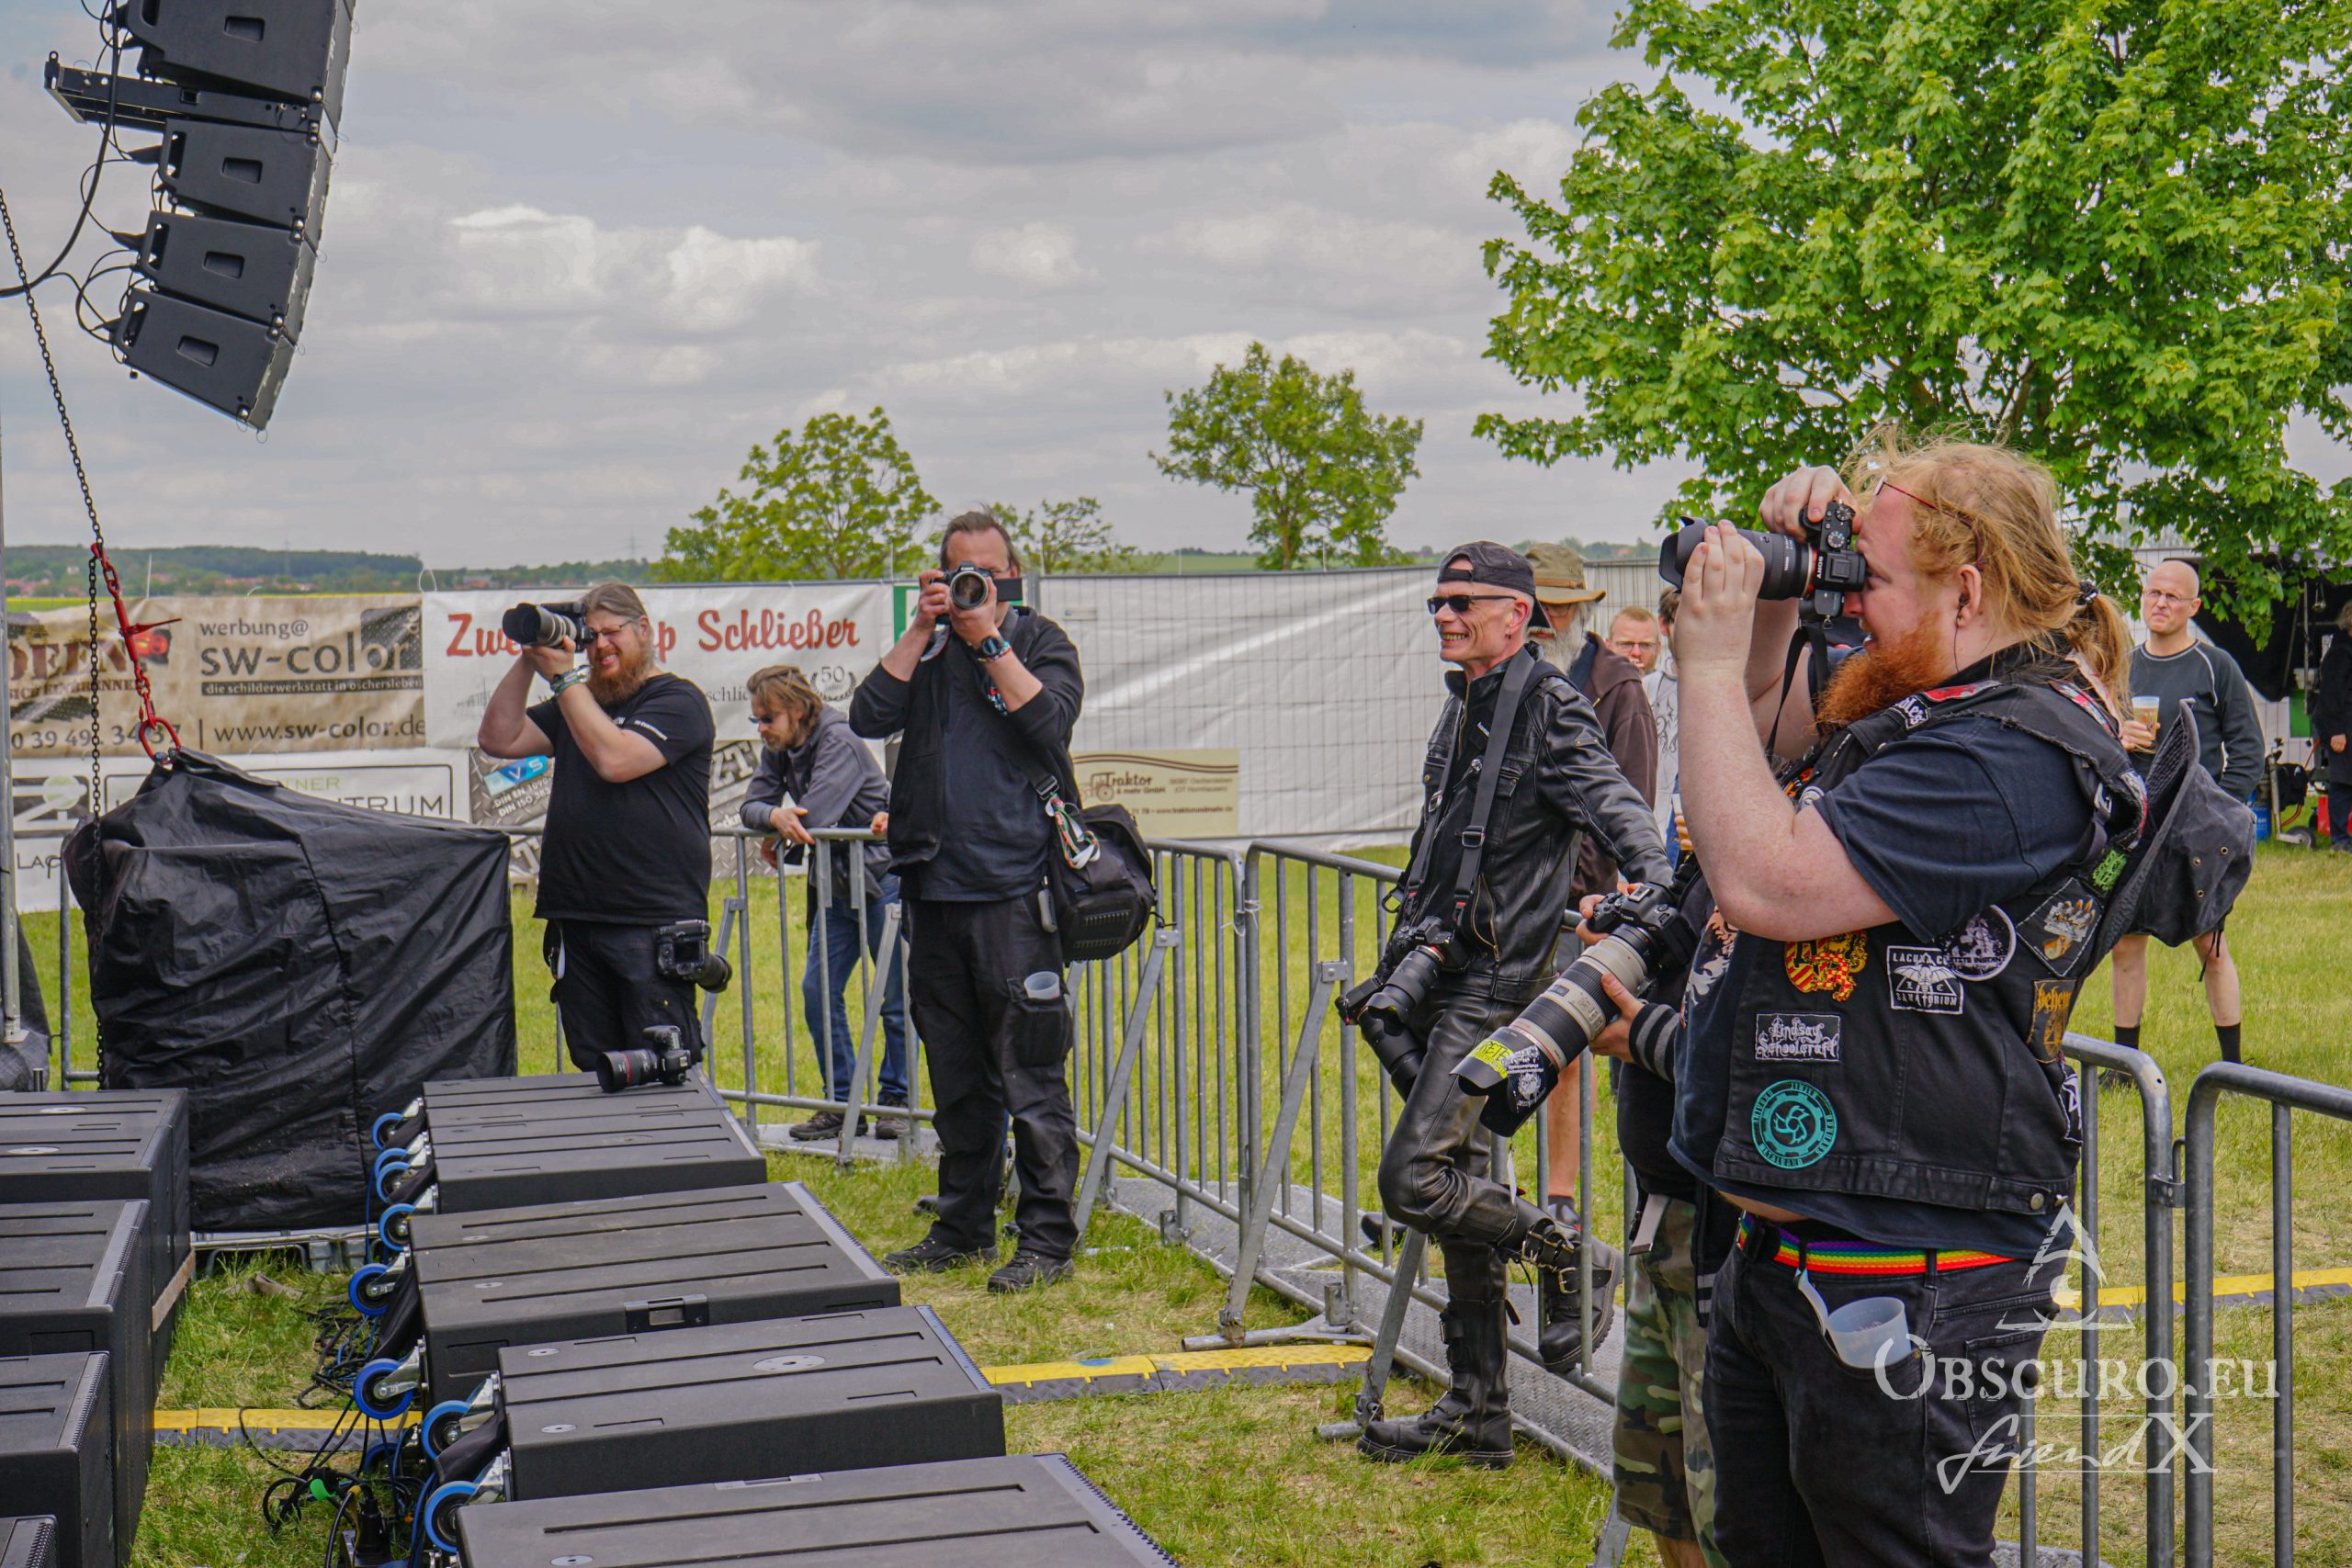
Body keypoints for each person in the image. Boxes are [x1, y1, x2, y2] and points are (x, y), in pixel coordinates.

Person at [1667, 431, 2142, 1567]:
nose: (1849, 605)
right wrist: (1776, 597)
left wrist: (1699, 661)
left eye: (1868, 581)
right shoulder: (1932, 702)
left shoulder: (2008, 753)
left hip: (1909, 1270)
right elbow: (1765, 745)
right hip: (1804, 1241)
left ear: (1966, 590)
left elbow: (1767, 879)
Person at [1355, 541, 1670, 1469]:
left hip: (1497, 987)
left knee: (1414, 1180)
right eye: (1437, 603)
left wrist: (1653, 892)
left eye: (1464, 602)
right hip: (1447, 971)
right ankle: (1478, 1410)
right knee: (1459, 1189)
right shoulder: (1465, 704)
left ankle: (1572, 1256)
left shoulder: (1549, 705)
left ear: (1516, 615)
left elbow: (1621, 810)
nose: (1445, 615)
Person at [849, 511, 1085, 1294]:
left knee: (1030, 1072)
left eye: (988, 572)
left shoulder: (1040, 640)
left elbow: (1048, 722)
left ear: (1012, 572)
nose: (975, 586)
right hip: (932, 886)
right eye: (960, 574)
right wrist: (924, 628)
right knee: (955, 1074)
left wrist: (989, 640)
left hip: (1015, 890)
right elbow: (867, 715)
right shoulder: (929, 648)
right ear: (940, 578)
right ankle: (962, 1227)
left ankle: (1046, 1238)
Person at [478, 581, 717, 1072]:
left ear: (643, 629)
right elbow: (498, 738)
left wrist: (565, 680)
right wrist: (531, 658)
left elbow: (615, 760)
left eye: (613, 632)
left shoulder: (678, 700)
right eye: (591, 636)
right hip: (578, 917)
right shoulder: (580, 702)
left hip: (650, 920)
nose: (601, 646)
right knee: (596, 1071)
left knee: (659, 1068)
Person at [1523, 542, 1654, 1298]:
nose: (1548, 620)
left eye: (1558, 606)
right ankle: (1476, 1181)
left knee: (1567, 1044)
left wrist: (1603, 894)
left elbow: (1631, 795)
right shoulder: (1503, 676)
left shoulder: (1616, 685)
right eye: (1538, 606)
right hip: (1511, 902)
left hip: (1581, 904)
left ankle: (1562, 1196)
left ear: (1578, 609)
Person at [741, 664, 909, 1142]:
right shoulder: (780, 745)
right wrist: (775, 818)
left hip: (883, 878)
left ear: (796, 710)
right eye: (756, 719)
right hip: (836, 883)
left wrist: (780, 826)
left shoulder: (840, 739)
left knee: (896, 997)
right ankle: (840, 1104)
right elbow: (752, 806)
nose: (761, 728)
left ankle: (895, 1102)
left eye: (768, 718)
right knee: (817, 991)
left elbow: (816, 814)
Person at [2109, 558, 2260, 1064]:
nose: (2160, 603)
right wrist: (2118, 737)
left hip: (2196, 830)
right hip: (2137, 826)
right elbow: (2096, 743)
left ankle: (2233, 1067)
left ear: (2193, 607)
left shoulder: (2216, 666)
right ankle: (2125, 1064)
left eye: (2172, 596)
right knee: (2125, 946)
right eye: (2153, 593)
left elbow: (2248, 750)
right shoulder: (2123, 665)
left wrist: (2221, 813)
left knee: (2210, 947)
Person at [2315, 600, 2352, 853]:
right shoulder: (2340, 654)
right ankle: (2339, 840)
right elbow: (2329, 695)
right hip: (2342, 727)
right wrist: (2336, 731)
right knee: (2343, 782)